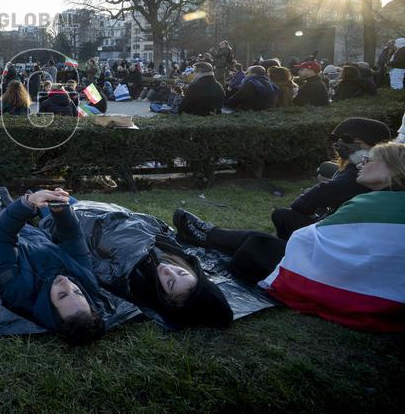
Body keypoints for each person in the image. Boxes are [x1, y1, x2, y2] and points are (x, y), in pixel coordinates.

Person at [176, 142, 405, 330]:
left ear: (392, 168)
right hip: (367, 282)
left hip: (346, 281)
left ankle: (207, 235)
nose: (361, 164)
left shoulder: (374, 203)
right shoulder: (387, 201)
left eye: (369, 160)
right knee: (268, 241)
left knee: (260, 245)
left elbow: (314, 237)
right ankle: (208, 234)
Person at [52, 201, 233, 328]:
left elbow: (92, 258)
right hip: (101, 212)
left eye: (169, 283)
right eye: (182, 273)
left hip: (79, 223)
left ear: (163, 295)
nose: (169, 271)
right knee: (66, 200)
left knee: (51, 205)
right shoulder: (175, 252)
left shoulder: (134, 278)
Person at [0, 188, 105, 344]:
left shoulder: (19, 291)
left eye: (62, 295)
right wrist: (61, 209)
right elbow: (73, 237)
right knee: (38, 201)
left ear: (49, 308)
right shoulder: (85, 281)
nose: (66, 283)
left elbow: (3, 237)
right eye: (77, 292)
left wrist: (26, 204)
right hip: (31, 234)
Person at [270, 118, 391, 240]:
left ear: (375, 146)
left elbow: (326, 191)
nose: (338, 143)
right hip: (343, 227)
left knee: (281, 216)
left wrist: (302, 205)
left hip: (342, 234)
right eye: (334, 138)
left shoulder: (365, 171)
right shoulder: (358, 165)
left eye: (347, 139)